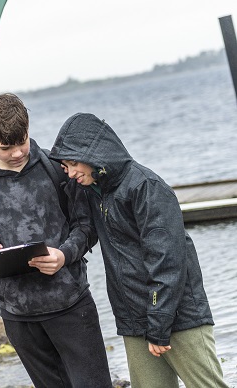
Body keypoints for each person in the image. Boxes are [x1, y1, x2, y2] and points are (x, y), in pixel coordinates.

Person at [49, 112, 228, 388]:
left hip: (179, 316)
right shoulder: (92, 191)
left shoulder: (146, 186)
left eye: (73, 163)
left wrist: (159, 323)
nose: (71, 173)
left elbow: (167, 261)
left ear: (95, 154)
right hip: (133, 320)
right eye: (65, 166)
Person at [0, 93, 113, 388]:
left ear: (28, 129)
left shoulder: (59, 169)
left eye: (22, 141)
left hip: (71, 305)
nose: (16, 152)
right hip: (18, 316)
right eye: (6, 147)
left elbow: (87, 227)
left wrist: (64, 255)